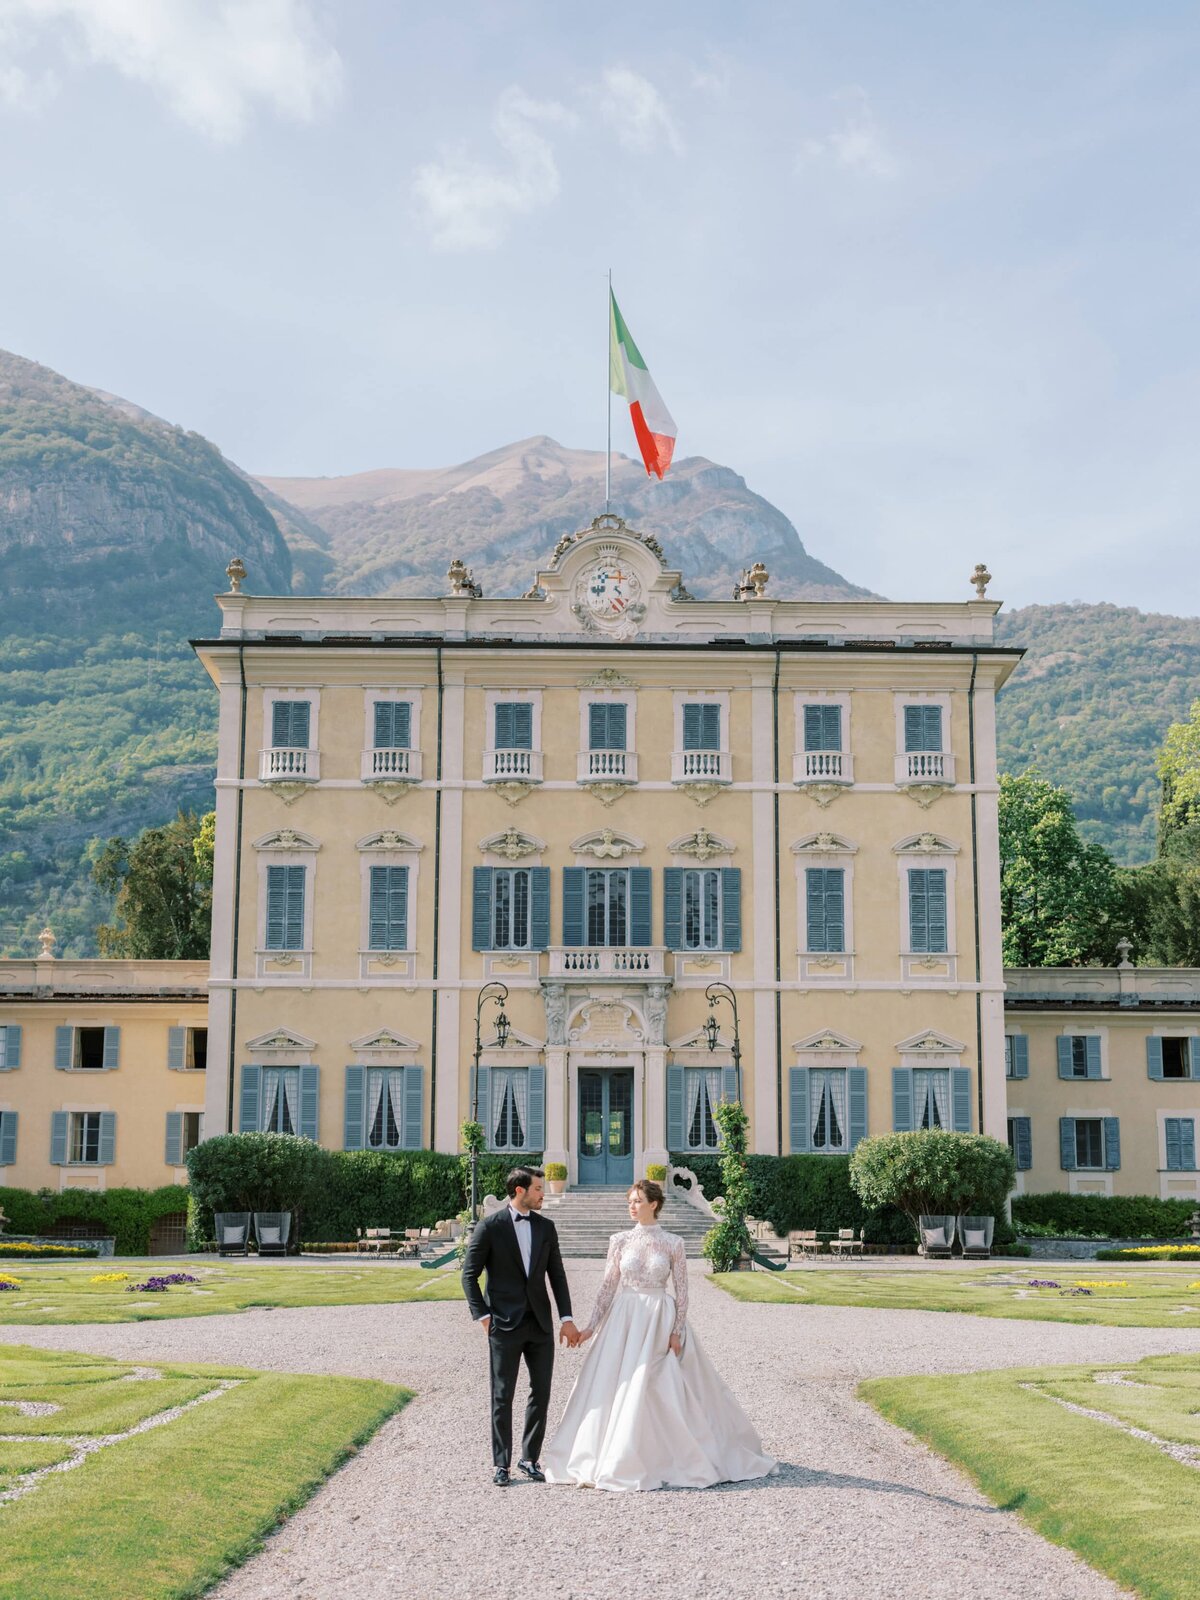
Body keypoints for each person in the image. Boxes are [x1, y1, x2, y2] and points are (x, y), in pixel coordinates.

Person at [542, 1178, 777, 1492]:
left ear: (654, 1204)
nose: (632, 1206)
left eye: (637, 1200)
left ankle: (671, 1456)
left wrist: (677, 1331)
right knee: (618, 1383)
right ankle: (614, 1455)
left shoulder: (673, 1243)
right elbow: (606, 1289)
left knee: (660, 1386)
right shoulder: (619, 1240)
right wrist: (590, 1328)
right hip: (623, 1321)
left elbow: (682, 1293)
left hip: (658, 1319)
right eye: (630, 1201)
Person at [461, 1166, 579, 1486]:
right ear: (519, 1191)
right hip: (503, 1323)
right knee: (503, 1394)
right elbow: (468, 1276)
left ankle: (529, 1458)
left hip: (540, 1324)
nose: (543, 1194)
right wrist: (483, 1317)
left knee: (540, 1392)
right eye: (539, 1189)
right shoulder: (490, 1227)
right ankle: (501, 1463)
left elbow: (557, 1276)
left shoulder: (546, 1228)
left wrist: (566, 1318)